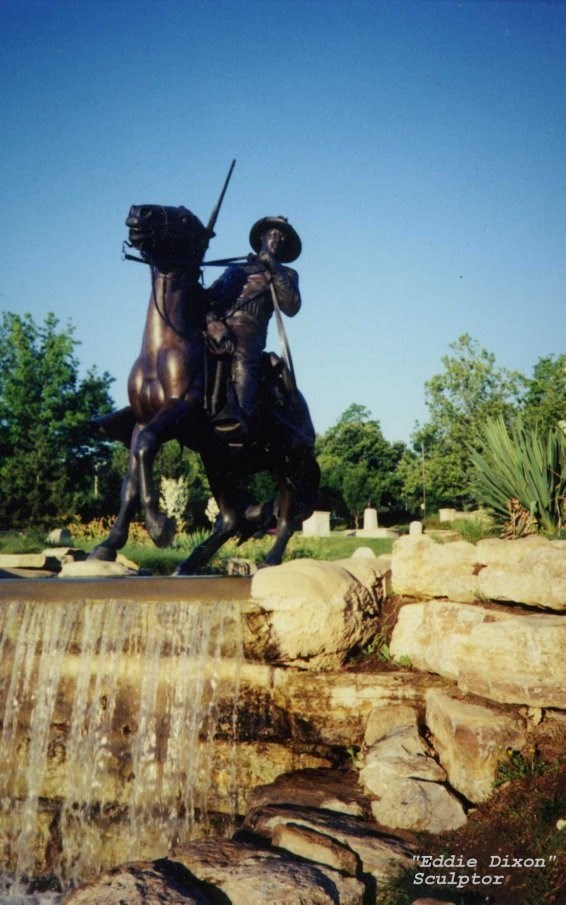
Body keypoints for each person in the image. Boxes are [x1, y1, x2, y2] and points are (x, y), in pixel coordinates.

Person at [205, 215, 302, 435]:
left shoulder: (287, 273)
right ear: (262, 238)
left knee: (243, 358)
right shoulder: (236, 269)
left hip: (249, 331)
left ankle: (239, 417)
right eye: (273, 234)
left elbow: (291, 306)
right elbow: (210, 296)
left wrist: (274, 266)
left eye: (282, 238)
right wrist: (211, 321)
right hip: (219, 325)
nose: (277, 240)